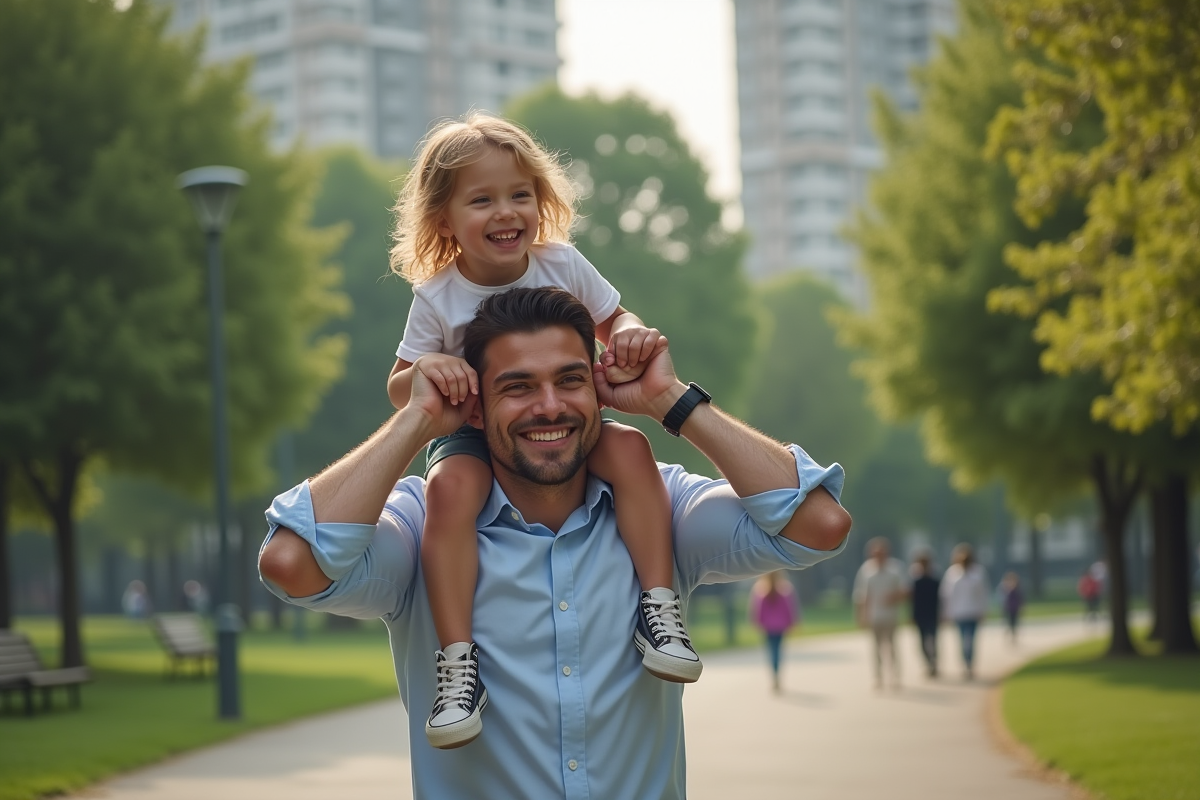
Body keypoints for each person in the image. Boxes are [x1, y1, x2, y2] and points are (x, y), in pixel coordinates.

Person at [258, 287, 851, 798]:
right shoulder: (424, 528)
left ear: (598, 390)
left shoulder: (659, 509)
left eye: (570, 380)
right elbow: (291, 562)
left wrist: (671, 401)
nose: (550, 406)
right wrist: (414, 421)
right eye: (517, 387)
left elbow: (819, 524)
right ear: (475, 409)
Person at [383, 113, 696, 748]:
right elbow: (399, 387)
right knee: (448, 490)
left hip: (564, 424)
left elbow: (614, 316)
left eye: (520, 195)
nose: (506, 212)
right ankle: (457, 663)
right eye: (482, 199)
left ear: (541, 200)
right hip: (475, 433)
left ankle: (659, 608)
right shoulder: (437, 296)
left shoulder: (562, 263)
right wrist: (431, 368)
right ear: (444, 219)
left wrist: (630, 330)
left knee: (632, 449)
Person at [852, 537, 908, 690]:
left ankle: (896, 676)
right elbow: (861, 596)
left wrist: (894, 597)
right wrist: (861, 615)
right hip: (874, 615)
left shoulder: (895, 568)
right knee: (875, 648)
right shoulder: (866, 570)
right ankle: (878, 677)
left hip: (890, 615)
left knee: (892, 647)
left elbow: (905, 590)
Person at [940, 543, 989, 680]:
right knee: (962, 640)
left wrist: (983, 610)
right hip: (959, 612)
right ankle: (965, 663)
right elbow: (947, 596)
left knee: (971, 640)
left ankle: (970, 663)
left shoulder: (978, 572)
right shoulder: (952, 573)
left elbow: (982, 593)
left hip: (973, 611)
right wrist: (946, 613)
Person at [748, 570, 800, 693]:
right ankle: (777, 676)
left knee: (771, 651)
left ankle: (774, 676)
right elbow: (790, 609)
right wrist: (792, 622)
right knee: (778, 651)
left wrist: (757, 623)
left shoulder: (760, 590)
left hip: (767, 627)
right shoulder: (785, 589)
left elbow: (757, 610)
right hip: (780, 627)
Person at [909, 550, 940, 678]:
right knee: (923, 642)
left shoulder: (935, 580)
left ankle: (933, 662)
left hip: (932, 615)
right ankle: (929, 663)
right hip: (921, 615)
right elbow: (913, 601)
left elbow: (939, 600)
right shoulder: (916, 581)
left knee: (932, 640)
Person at [998, 571, 1023, 643]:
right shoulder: (1005, 589)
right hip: (1008, 608)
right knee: (1009, 622)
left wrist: (1021, 607)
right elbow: (1002, 598)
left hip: (1015, 609)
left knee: (1014, 623)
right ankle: (1010, 634)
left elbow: (1020, 599)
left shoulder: (1017, 589)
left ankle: (1013, 636)